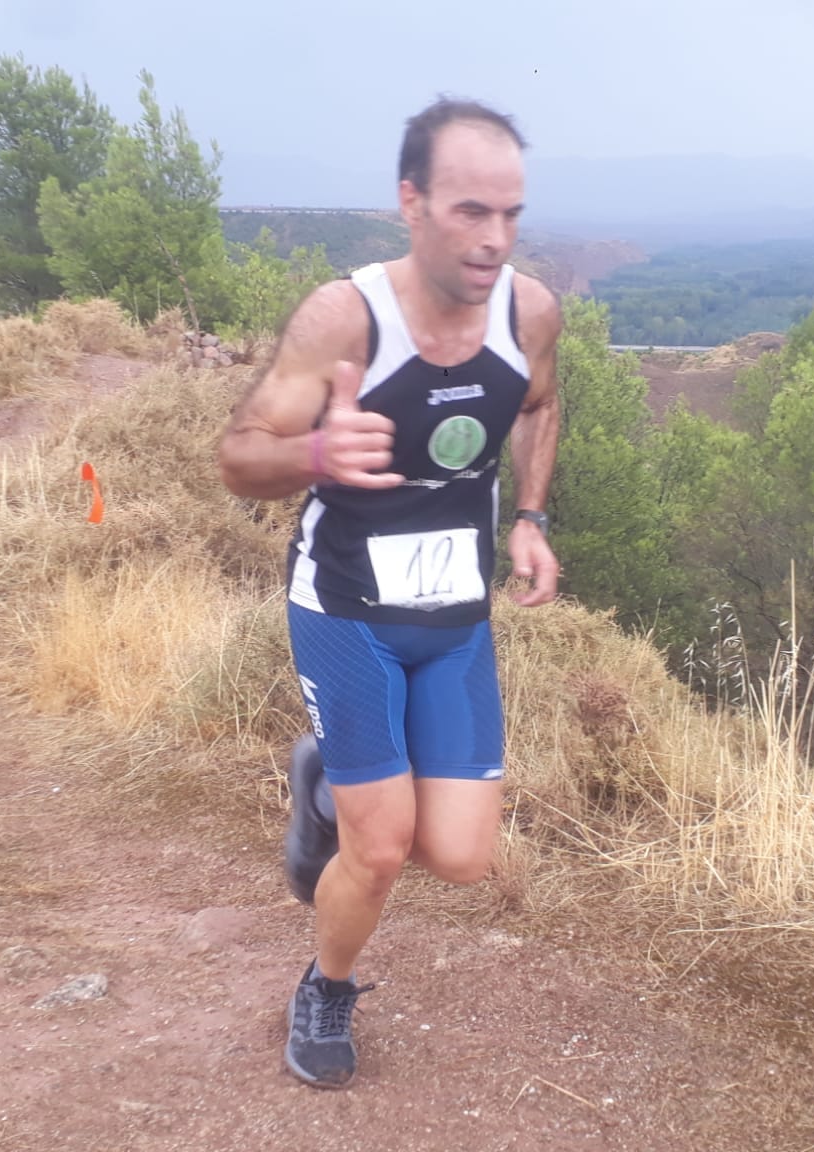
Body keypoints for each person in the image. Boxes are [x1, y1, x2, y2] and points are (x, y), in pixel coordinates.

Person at [215, 96, 563, 1090]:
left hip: (452, 620)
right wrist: (317, 453)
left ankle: (323, 778)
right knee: (379, 850)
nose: (493, 239)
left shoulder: (529, 311)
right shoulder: (345, 319)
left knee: (458, 858)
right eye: (468, 212)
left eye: (510, 215)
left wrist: (530, 520)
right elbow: (238, 457)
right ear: (409, 203)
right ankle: (326, 983)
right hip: (346, 613)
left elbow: (539, 404)